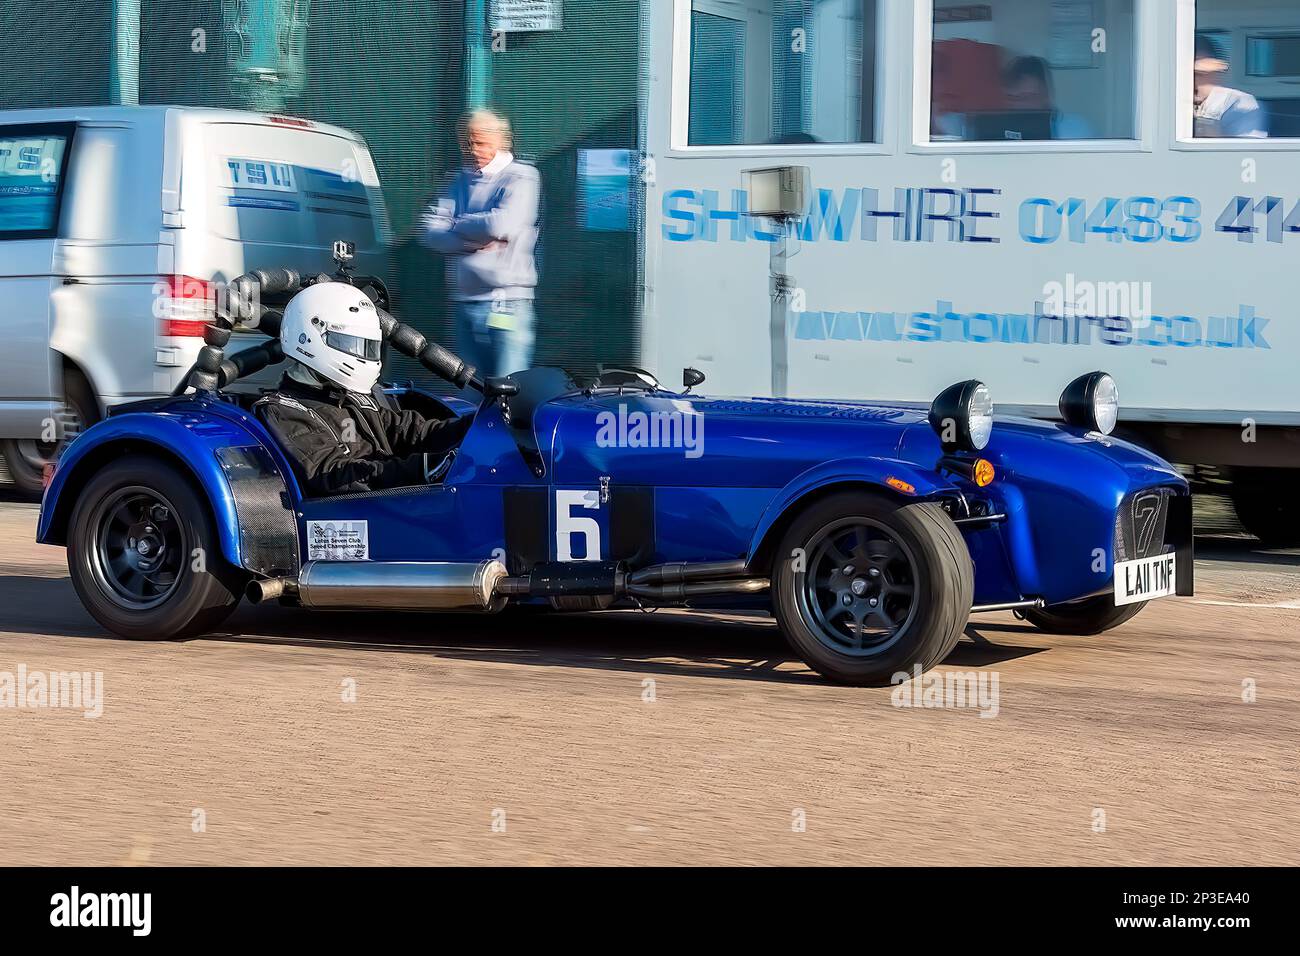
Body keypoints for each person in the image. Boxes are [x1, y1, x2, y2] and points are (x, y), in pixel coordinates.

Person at [255, 282, 471, 497]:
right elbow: (336, 476)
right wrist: (428, 467)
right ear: (308, 338)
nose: (362, 354)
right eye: (351, 343)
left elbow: (410, 432)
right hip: (350, 517)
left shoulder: (352, 395)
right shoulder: (284, 411)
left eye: (368, 345)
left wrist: (475, 425)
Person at [421, 108, 541, 378]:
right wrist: (471, 241)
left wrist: (456, 223)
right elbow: (429, 230)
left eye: (481, 142)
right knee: (470, 394)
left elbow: (501, 224)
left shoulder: (522, 176)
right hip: (464, 304)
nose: (473, 149)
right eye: (468, 142)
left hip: (508, 303)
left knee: (507, 391)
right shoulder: (457, 181)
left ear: (502, 140)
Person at [1001, 55, 1094, 139]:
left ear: (1045, 96)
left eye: (1026, 97)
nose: (1018, 104)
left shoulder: (1077, 128)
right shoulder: (999, 128)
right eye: (1011, 97)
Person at [1193, 35, 1267, 138]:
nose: (1194, 80)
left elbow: (1248, 150)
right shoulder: (1171, 103)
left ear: (1216, 70)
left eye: (1200, 73)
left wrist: (1206, 124)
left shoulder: (1240, 102)